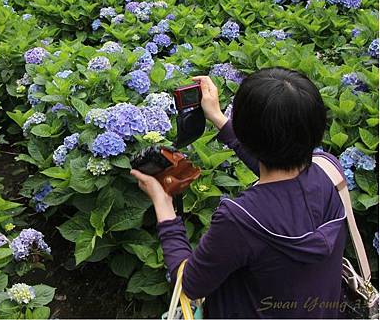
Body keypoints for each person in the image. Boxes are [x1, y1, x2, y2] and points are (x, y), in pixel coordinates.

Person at [131, 67, 347, 318]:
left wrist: (164, 206)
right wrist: (219, 119)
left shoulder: (240, 220)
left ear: (245, 131)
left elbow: (190, 283)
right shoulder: (329, 171)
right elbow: (282, 166)